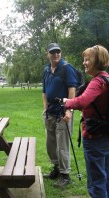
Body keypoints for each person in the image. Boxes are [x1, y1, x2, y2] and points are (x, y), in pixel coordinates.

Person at [63, 45, 109, 198]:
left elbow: (82, 101)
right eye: (84, 59)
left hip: (95, 138)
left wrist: (67, 102)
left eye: (88, 59)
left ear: (98, 60)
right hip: (107, 135)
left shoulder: (97, 81)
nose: (84, 62)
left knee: (96, 182)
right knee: (106, 178)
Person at [42, 43, 78, 187]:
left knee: (62, 145)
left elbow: (72, 89)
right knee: (50, 143)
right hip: (50, 113)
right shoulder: (46, 69)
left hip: (63, 113)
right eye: (53, 52)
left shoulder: (66, 68)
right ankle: (56, 169)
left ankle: (65, 175)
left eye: (58, 52)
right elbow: (44, 91)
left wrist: (69, 110)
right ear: (48, 54)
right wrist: (45, 107)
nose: (56, 54)